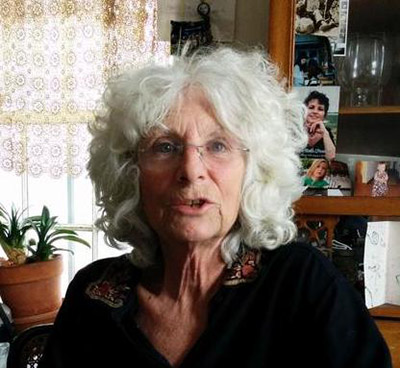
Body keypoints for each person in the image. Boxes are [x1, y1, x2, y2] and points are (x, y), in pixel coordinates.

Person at [39, 47, 391, 368]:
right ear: (131, 174)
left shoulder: (303, 285)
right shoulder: (94, 295)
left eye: (218, 145)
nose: (192, 171)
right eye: (165, 147)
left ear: (253, 172)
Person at [302, 90, 336, 160]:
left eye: (320, 109)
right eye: (311, 107)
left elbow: (331, 158)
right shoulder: (297, 130)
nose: (315, 111)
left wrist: (324, 133)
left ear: (325, 115)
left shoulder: (327, 132)